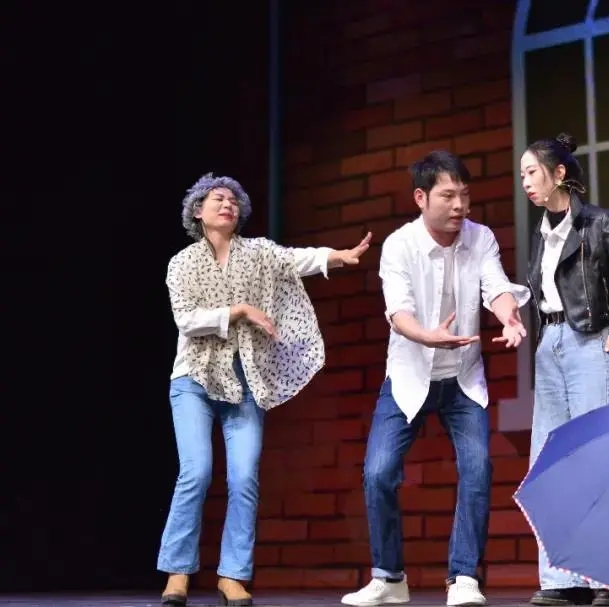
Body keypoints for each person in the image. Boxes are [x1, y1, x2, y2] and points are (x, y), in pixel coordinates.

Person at [159, 173, 373, 607]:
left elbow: (295, 259)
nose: (228, 204)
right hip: (194, 379)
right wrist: (238, 310)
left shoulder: (257, 253)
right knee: (196, 472)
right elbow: (186, 320)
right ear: (198, 211)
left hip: (244, 381)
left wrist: (337, 256)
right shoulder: (182, 263)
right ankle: (177, 572)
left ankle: (232, 575)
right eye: (218, 199)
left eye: (233, 200)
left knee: (244, 477)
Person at [341, 151, 530, 607]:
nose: (459, 205)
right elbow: (398, 311)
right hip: (408, 377)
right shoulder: (398, 245)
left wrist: (509, 317)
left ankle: (463, 578)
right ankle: (389, 578)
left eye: (464, 195)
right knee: (378, 472)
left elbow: (496, 286)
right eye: (448, 195)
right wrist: (429, 337)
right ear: (421, 198)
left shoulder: (480, 237)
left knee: (478, 467)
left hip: (463, 379)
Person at [520, 133, 609, 607]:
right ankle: (562, 580)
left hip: (589, 343)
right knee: (551, 462)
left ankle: (608, 578)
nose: (525, 183)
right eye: (522, 175)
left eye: (532, 172)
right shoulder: (541, 232)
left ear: (559, 174)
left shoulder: (599, 222)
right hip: (550, 347)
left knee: (600, 459)